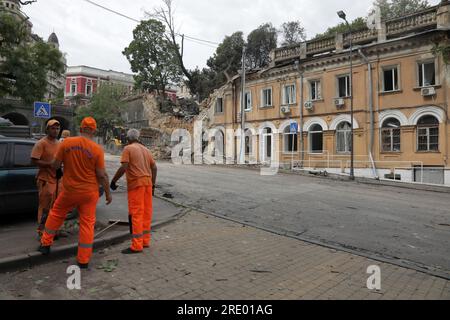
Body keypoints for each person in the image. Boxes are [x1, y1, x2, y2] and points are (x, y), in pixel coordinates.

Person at [38, 117, 112, 269]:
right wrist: (108, 193)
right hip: (89, 192)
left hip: (69, 190)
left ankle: (45, 245)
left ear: (81, 128)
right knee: (87, 223)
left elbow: (56, 165)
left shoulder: (67, 143)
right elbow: (102, 175)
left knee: (56, 214)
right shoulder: (97, 149)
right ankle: (83, 260)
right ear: (94, 130)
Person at [110, 129, 157, 254]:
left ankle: (137, 246)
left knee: (136, 214)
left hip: (136, 184)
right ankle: (145, 241)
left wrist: (113, 181)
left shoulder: (128, 149)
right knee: (146, 213)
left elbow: (124, 167)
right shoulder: (146, 150)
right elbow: (154, 167)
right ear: (138, 137)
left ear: (128, 138)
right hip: (147, 184)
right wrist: (152, 185)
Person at [31, 119, 62, 238]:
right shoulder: (41, 143)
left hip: (57, 179)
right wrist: (50, 164)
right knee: (45, 207)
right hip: (45, 179)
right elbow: (34, 160)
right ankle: (42, 231)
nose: (55, 131)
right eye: (53, 128)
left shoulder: (59, 143)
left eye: (57, 128)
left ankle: (54, 230)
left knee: (56, 206)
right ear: (47, 129)